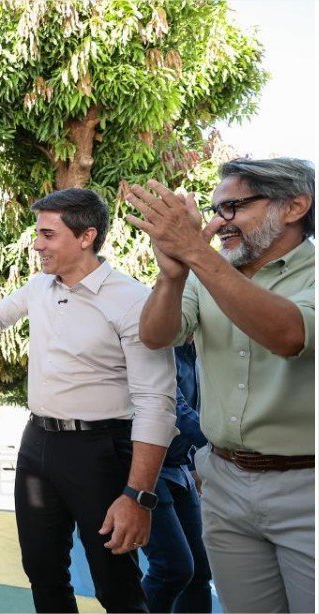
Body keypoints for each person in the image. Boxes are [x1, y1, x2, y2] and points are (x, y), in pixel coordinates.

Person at [0, 188, 177, 613]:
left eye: (48, 234)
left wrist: (138, 496)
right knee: (42, 572)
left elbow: (156, 403)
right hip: (36, 446)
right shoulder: (40, 286)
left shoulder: (133, 300)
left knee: (115, 584)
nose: (36, 243)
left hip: (100, 452)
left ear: (86, 237)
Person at [126, 158, 315, 613]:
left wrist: (196, 254)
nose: (216, 223)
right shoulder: (207, 274)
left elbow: (288, 335)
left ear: (294, 207)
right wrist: (173, 275)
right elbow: (154, 334)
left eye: (232, 208)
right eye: (214, 209)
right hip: (226, 483)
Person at [139, 343, 212, 612]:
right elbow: (175, 411)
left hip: (179, 467)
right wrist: (229, 443)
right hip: (147, 465)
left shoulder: (198, 353)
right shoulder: (159, 349)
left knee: (201, 571)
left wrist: (197, 465)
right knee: (172, 568)